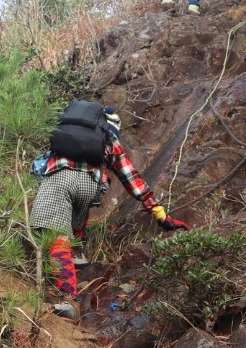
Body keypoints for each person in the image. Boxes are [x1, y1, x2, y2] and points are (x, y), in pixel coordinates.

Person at [29, 104, 188, 320]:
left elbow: (40, 164)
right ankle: (74, 256)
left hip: (60, 179)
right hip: (89, 188)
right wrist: (161, 214)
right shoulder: (109, 144)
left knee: (57, 239)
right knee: (75, 216)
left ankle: (68, 299)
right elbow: (132, 180)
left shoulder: (66, 134)